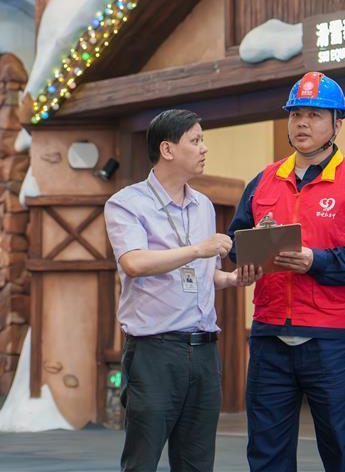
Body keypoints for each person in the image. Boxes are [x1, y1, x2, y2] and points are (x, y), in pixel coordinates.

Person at [227, 72, 345, 472]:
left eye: (315, 115)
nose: (302, 123)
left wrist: (316, 261)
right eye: (296, 113)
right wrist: (244, 261)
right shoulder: (263, 181)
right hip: (268, 336)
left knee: (339, 448)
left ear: (337, 123)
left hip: (329, 340)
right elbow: (236, 240)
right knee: (266, 452)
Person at [105, 108, 261, 472]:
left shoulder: (203, 205)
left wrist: (232, 279)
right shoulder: (127, 203)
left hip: (205, 352)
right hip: (154, 352)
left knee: (196, 462)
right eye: (195, 140)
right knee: (142, 461)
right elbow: (134, 263)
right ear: (168, 149)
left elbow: (206, 274)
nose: (204, 147)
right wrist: (198, 249)